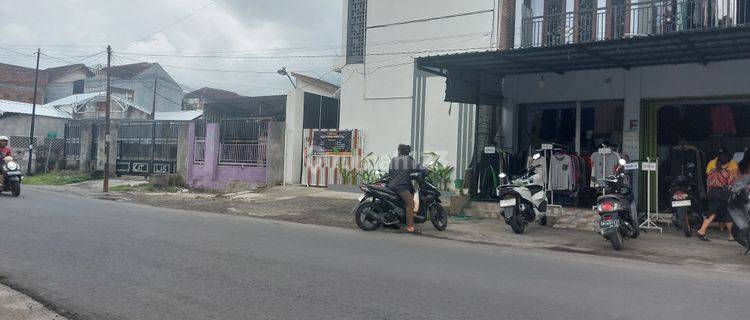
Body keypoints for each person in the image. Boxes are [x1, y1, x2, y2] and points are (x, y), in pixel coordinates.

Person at [697, 148, 739, 241]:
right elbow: (733, 184)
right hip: (721, 194)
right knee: (712, 213)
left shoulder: (712, 171)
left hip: (712, 193)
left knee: (726, 213)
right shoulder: (727, 173)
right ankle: (701, 231)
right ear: (727, 164)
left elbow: (708, 183)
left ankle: (732, 236)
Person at [387, 144, 426, 234]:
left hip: (391, 185)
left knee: (405, 199)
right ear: (407, 151)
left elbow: (390, 172)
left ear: (399, 151)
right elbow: (418, 167)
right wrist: (426, 170)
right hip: (401, 187)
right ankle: (410, 227)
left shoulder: (393, 160)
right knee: (410, 204)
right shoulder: (408, 160)